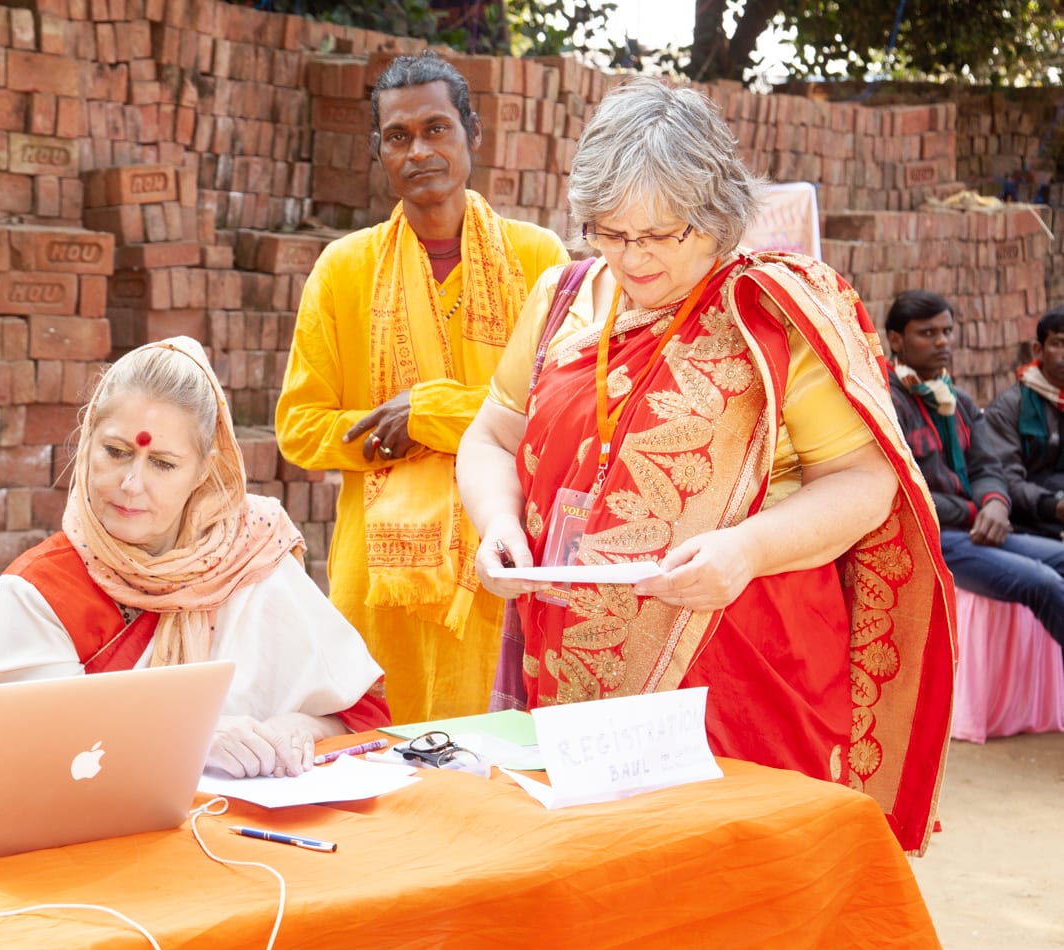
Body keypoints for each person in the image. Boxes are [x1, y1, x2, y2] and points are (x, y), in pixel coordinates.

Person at [457, 79, 952, 858]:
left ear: (717, 212)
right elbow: (490, 435)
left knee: (735, 899)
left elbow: (864, 483)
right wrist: (496, 524)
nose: (633, 257)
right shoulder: (563, 298)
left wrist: (744, 550)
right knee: (594, 892)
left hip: (746, 674)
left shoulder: (774, 313)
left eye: (661, 234)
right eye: (609, 232)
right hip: (576, 685)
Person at [275, 51, 568, 724]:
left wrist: (429, 415)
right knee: (376, 758)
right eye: (398, 136)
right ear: (378, 152)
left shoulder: (539, 262)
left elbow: (557, 415)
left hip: (502, 560)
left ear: (472, 133)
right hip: (379, 583)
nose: (419, 151)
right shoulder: (343, 269)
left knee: (492, 764)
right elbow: (300, 427)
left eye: (436, 129)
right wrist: (391, 437)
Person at [0, 337, 389, 778]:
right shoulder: (39, 588)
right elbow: (37, 753)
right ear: (87, 444)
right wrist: (184, 737)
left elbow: (361, 716)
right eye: (116, 452)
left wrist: (301, 727)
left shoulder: (252, 555)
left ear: (204, 470)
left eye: (162, 463)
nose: (131, 484)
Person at [887, 291, 1064, 644]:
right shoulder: (887, 402)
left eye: (947, 331)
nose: (942, 342)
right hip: (931, 538)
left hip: (976, 528)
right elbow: (903, 492)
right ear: (896, 340)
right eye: (927, 333)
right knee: (1043, 583)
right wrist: (975, 510)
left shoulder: (958, 399)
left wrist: (995, 504)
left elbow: (987, 467)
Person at [984, 304, 1064, 538]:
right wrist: (1053, 505)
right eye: (1058, 344)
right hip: (1031, 515)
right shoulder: (1010, 407)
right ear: (1038, 350)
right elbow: (1003, 477)